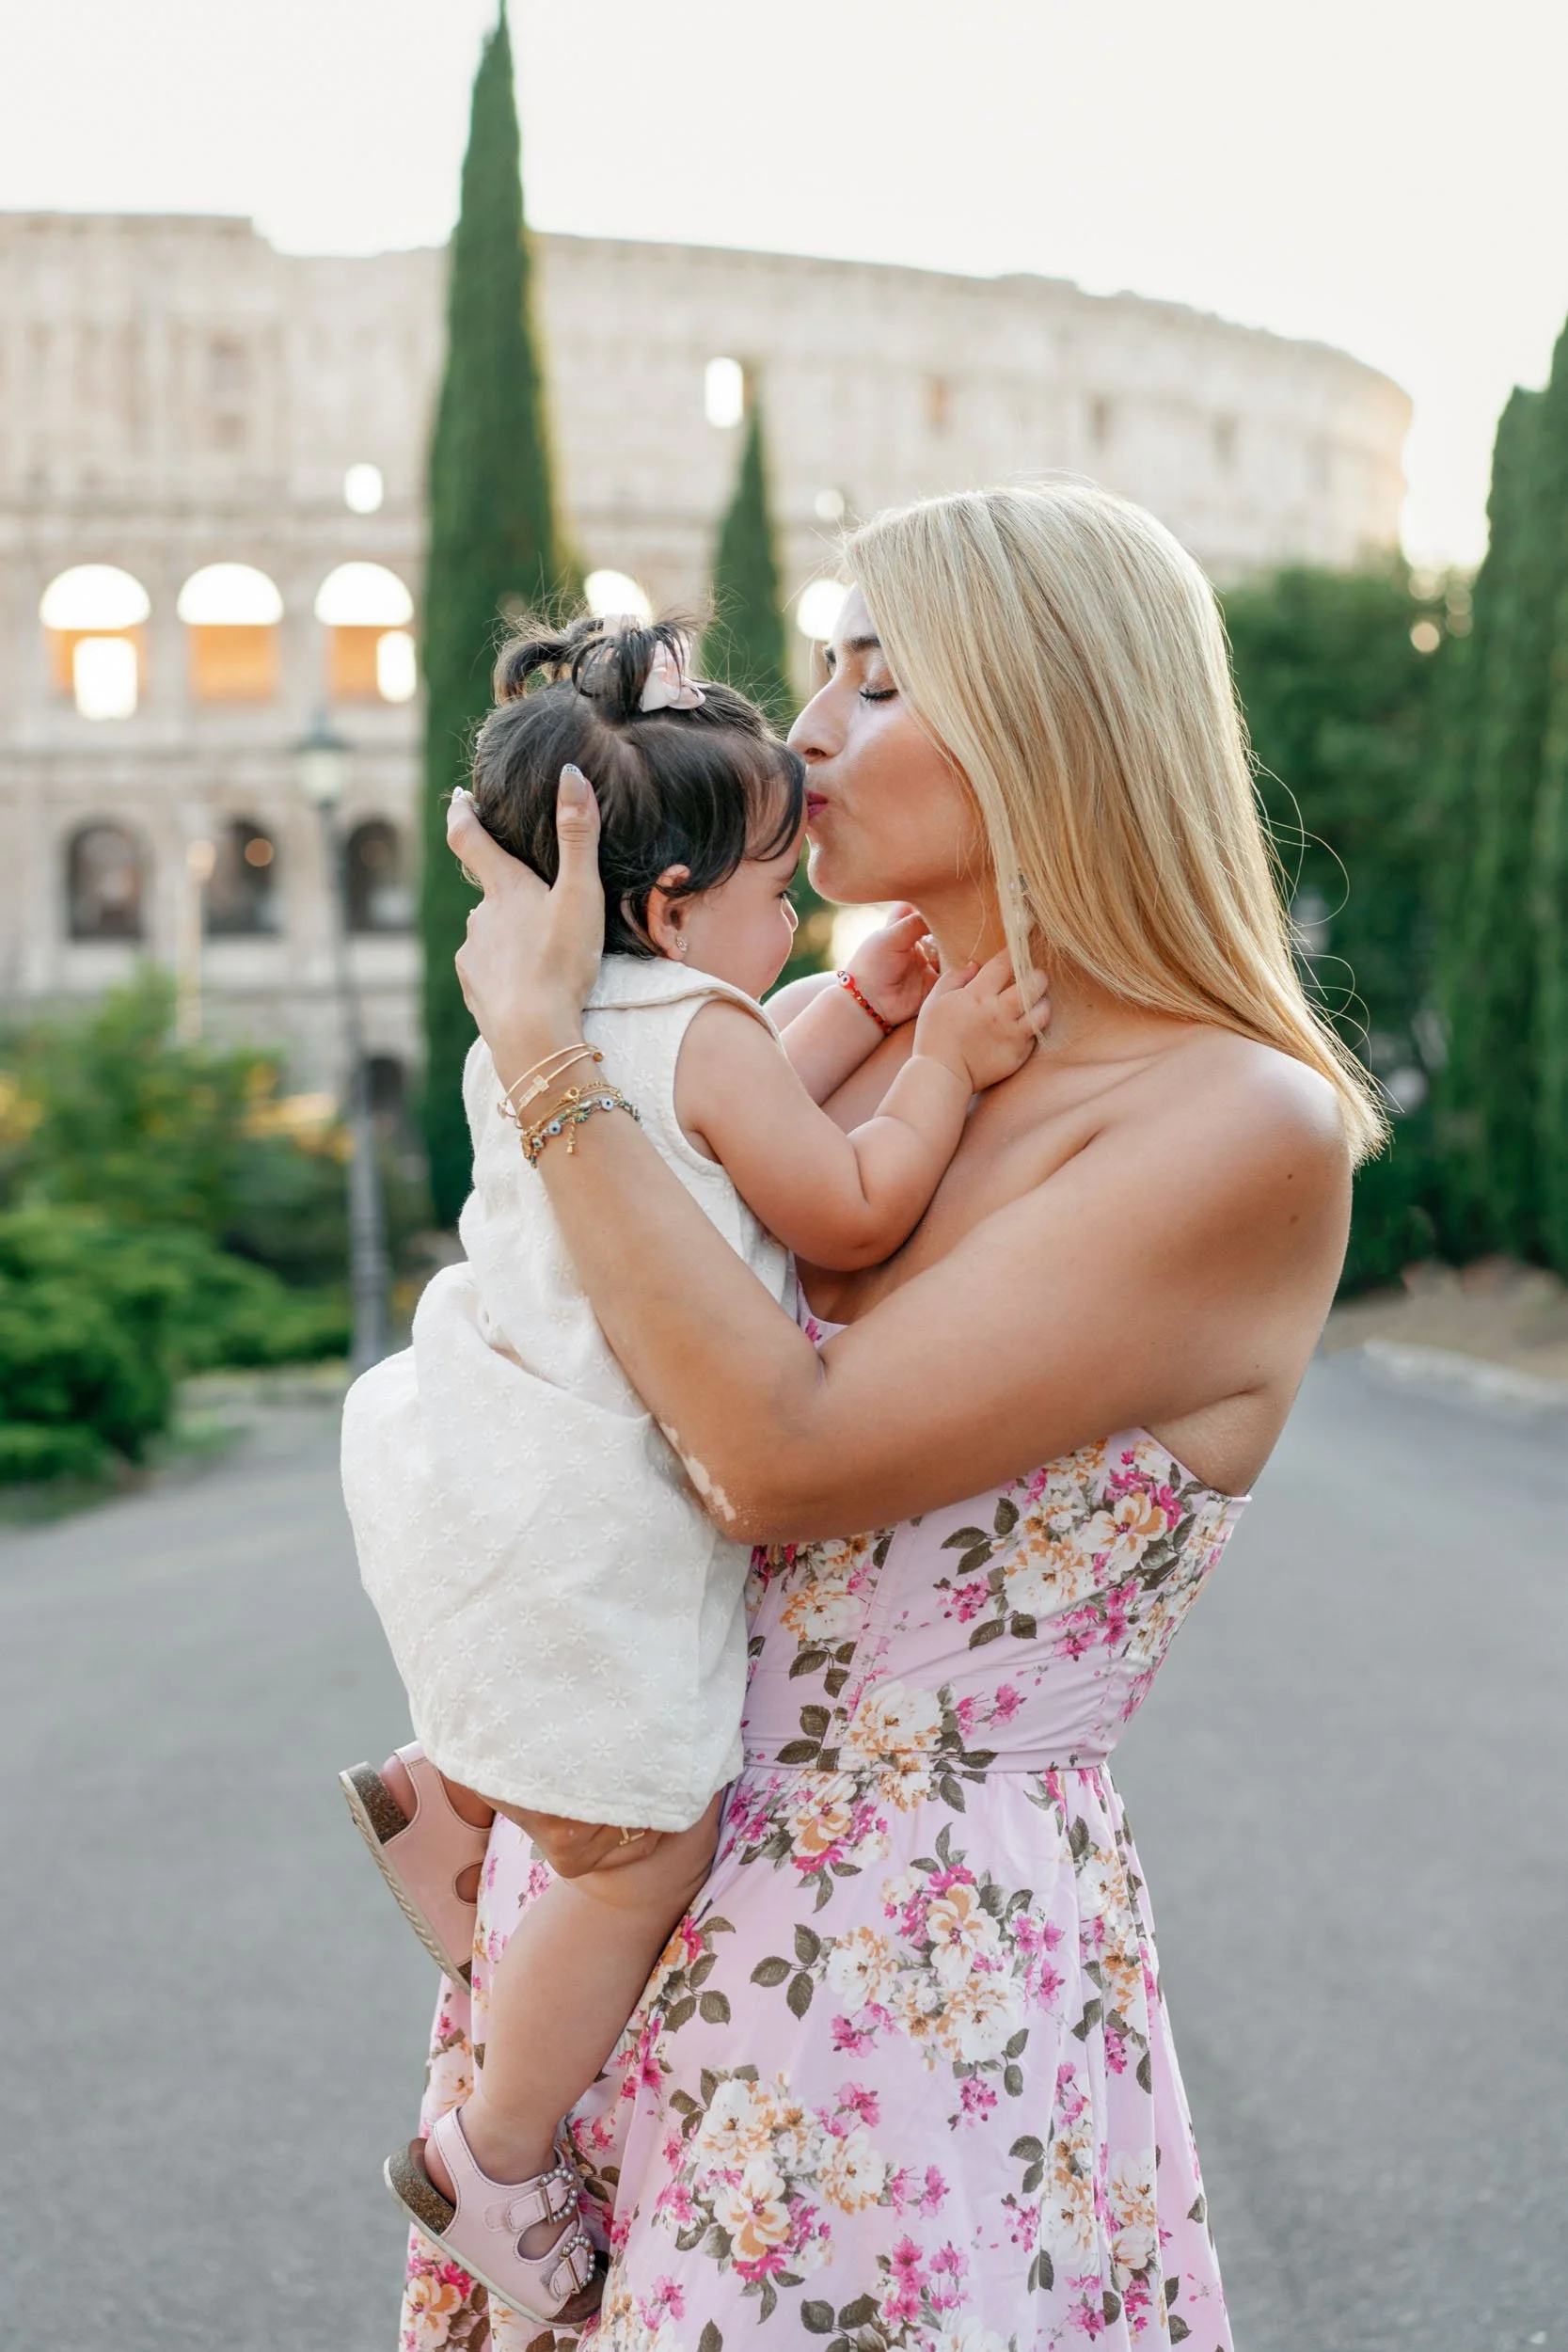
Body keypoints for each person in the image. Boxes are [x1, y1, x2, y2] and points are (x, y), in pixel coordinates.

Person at [400, 483, 1377, 2352]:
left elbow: (774, 1456)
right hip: (617, 1915)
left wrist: (549, 1057)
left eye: (873, 679)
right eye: (819, 673)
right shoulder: (859, 1035)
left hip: (883, 1983)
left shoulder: (1225, 1124)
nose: (806, 733)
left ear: (1043, 724)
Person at [339, 613, 1041, 2328]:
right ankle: (492, 2154)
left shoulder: (571, 1023)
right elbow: (835, 1198)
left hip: (470, 1473)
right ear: (671, 910)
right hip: (589, 1510)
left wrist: (843, 1009)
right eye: (769, 895)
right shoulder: (708, 1033)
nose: (791, 924)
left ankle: (471, 1787)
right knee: (646, 1846)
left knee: (553, 1715)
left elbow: (700, 1131)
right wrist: (938, 1059)